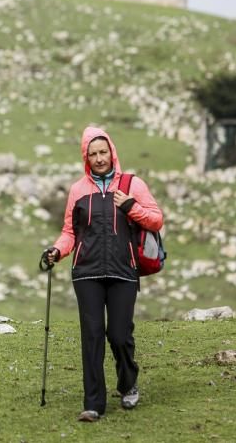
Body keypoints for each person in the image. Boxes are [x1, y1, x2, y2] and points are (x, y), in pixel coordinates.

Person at [40, 126, 163, 422]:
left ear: (112, 152)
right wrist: (57, 251)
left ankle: (127, 382)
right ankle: (93, 403)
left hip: (124, 271)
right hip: (87, 272)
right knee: (92, 335)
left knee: (119, 334)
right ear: (86, 157)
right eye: (92, 154)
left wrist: (131, 206)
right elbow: (70, 232)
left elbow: (156, 220)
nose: (98, 158)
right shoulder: (78, 190)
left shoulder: (132, 185)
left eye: (103, 152)